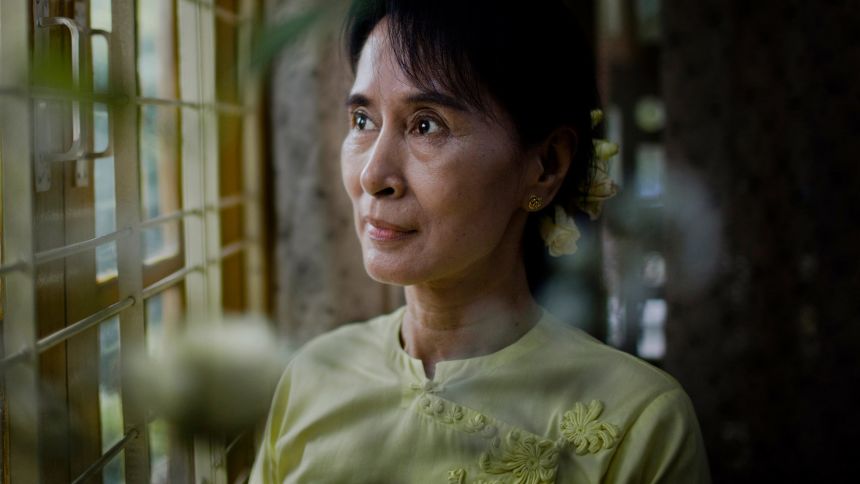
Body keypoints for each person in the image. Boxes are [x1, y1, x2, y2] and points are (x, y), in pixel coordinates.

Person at [250, 1, 710, 482]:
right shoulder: (314, 375)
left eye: (426, 125)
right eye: (363, 121)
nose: (372, 175)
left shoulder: (639, 421)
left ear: (546, 165)